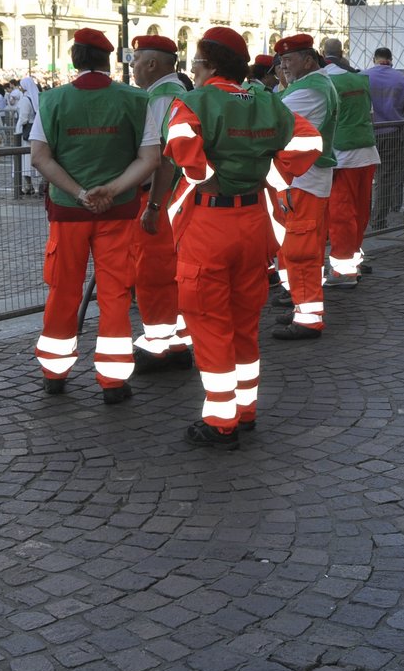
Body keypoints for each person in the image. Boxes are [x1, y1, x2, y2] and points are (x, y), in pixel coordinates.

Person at [163, 26, 322, 449]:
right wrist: (272, 173)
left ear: (209, 64)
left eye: (195, 63)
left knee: (210, 323)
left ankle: (220, 421)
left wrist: (209, 176)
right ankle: (246, 409)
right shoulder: (267, 100)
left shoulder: (195, 101)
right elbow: (310, 139)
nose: (192, 70)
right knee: (244, 322)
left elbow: (180, 143)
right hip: (255, 220)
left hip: (209, 224)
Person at [30, 29, 159, 403]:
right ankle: (114, 380)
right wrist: (113, 191)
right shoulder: (136, 99)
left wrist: (81, 193)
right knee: (115, 293)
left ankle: (54, 372)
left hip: (69, 212)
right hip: (119, 212)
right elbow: (149, 159)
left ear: (75, 60)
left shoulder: (52, 100)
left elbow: (40, 157)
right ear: (108, 60)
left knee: (63, 290)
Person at [128, 34, 193, 374]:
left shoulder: (157, 99)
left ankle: (157, 345)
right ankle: (180, 339)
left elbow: (157, 158)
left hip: (160, 196)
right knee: (176, 271)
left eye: (135, 60)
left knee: (153, 273)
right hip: (182, 197)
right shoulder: (181, 94)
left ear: (151, 64)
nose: (133, 67)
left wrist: (152, 206)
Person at [270, 34, 340, 340]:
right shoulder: (314, 84)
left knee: (301, 251)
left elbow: (272, 121)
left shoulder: (310, 89)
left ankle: (309, 317)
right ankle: (302, 305)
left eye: (288, 60)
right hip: (305, 177)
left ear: (308, 60)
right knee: (299, 249)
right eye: (281, 61)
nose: (283, 67)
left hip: (303, 178)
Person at [320, 39, 378, 287]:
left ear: (322, 55)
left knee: (341, 215)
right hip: (366, 150)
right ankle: (354, 261)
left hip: (341, 155)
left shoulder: (324, 81)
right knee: (359, 211)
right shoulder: (359, 78)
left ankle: (344, 272)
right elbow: (370, 114)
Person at [365, 46, 404, 226]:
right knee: (386, 177)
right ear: (391, 59)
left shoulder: (363, 75)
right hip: (392, 132)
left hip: (368, 133)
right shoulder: (400, 78)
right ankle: (378, 218)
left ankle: (363, 215)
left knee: (365, 177)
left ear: (374, 58)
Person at [13, 76, 40, 196]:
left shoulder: (25, 100)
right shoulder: (37, 97)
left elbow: (23, 118)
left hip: (26, 132)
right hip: (36, 130)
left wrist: (17, 130)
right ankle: (41, 185)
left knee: (25, 160)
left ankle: (29, 186)